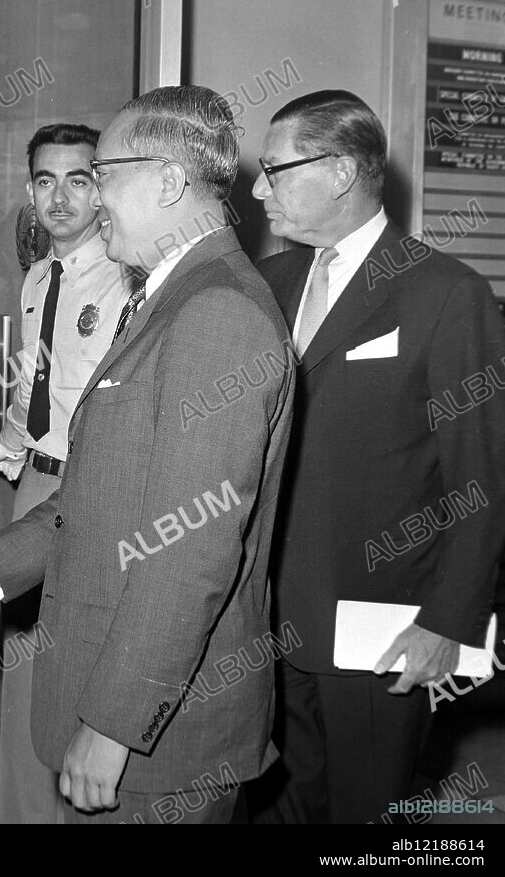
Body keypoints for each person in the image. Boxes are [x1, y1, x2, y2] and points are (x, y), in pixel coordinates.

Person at [0, 86, 296, 824]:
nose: (91, 198)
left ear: (168, 181)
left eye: (103, 175)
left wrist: (115, 725)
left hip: (157, 742)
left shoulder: (216, 312)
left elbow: (189, 551)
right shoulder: (171, 294)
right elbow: (103, 488)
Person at [248, 90, 505, 824]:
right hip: (266, 624)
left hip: (382, 626)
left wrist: (449, 623)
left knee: (365, 818)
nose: (259, 189)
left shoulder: (445, 293)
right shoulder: (269, 285)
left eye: (275, 169)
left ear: (340, 172)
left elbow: (483, 478)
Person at [0, 122, 128, 823]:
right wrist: (10, 444)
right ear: (30, 190)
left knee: (79, 662)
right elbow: (34, 381)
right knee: (23, 663)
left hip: (90, 490)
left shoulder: (128, 278)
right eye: (46, 181)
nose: (60, 197)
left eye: (79, 179)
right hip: (35, 482)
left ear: (102, 189)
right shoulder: (39, 276)